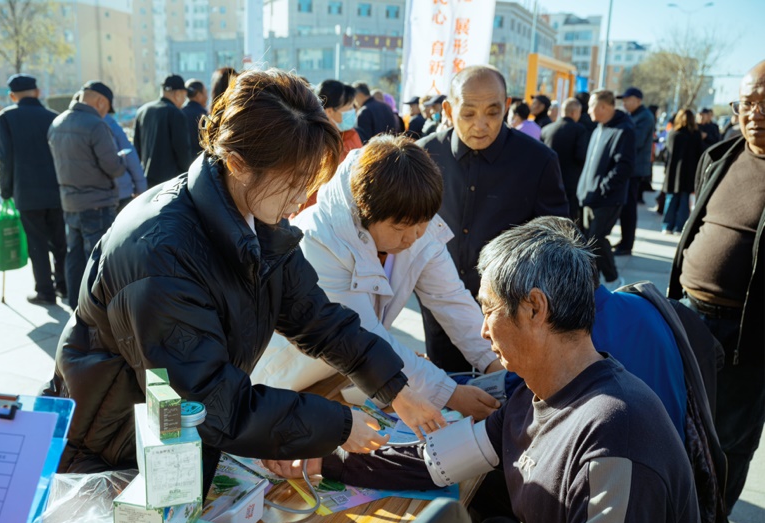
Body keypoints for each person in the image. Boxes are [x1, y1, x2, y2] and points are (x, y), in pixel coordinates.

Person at [51, 69, 446, 497]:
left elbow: (317, 317)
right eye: (293, 182)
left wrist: (393, 386)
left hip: (174, 442)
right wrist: (337, 424)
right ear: (238, 163)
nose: (302, 197)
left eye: (309, 181)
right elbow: (208, 401)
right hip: (111, 453)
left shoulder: (259, 219)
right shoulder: (160, 253)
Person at [266, 216, 702, 523]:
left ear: (534, 308)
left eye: (489, 309)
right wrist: (325, 458)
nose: (482, 330)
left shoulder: (616, 434)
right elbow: (434, 461)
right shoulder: (534, 398)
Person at [252, 136, 501, 419]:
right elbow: (364, 333)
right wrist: (449, 393)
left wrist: (494, 360)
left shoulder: (412, 213)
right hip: (285, 377)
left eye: (423, 224)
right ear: (366, 212)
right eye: (401, 228)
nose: (414, 237)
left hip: (347, 373)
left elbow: (450, 299)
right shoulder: (320, 241)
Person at [416, 65, 567, 372]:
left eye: (493, 112)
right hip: (439, 303)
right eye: (468, 113)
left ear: (507, 106)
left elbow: (557, 247)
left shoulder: (537, 161)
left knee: (505, 390)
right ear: (448, 109)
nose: (480, 125)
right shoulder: (424, 155)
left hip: (509, 310)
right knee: (449, 384)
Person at [669, 60, 765, 513]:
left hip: (748, 335)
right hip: (689, 315)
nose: (754, 113)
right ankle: (676, 521)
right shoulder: (720, 156)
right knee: (674, 422)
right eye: (747, 103)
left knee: (729, 442)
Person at [48, 81, 126, 310]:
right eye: (107, 107)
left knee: (74, 258)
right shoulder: (95, 125)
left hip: (70, 203)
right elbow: (113, 166)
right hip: (97, 203)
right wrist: (121, 159)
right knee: (99, 261)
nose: (106, 113)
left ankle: (77, 308)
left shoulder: (57, 122)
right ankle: (97, 312)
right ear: (101, 101)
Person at [0, 74, 67, 304]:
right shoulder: (53, 117)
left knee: (36, 244)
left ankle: (45, 291)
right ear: (37, 92)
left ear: (12, 96)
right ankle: (64, 285)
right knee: (60, 242)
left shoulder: (7, 118)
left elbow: (5, 158)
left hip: (26, 191)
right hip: (57, 190)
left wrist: (5, 190)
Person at [577, 89, 635, 290]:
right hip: (588, 196)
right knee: (587, 242)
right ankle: (592, 283)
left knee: (596, 239)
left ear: (603, 107)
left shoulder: (624, 130)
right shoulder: (598, 128)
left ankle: (613, 281)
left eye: (591, 106)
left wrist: (603, 188)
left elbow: (624, 167)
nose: (588, 111)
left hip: (607, 198)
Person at [300, 79, 362, 210]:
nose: (353, 112)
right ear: (329, 111)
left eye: (353, 107)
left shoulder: (350, 134)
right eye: (348, 108)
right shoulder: (314, 142)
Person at [614, 87, 655, 256]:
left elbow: (635, 142)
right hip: (631, 168)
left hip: (634, 170)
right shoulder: (633, 115)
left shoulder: (644, 117)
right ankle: (624, 240)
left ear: (638, 100)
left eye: (627, 99)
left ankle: (627, 244)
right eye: (623, 100)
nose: (624, 103)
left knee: (629, 208)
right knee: (625, 207)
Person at [133, 74, 192, 187]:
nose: (185, 100)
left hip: (146, 179)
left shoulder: (142, 111)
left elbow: (136, 148)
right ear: (177, 94)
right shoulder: (176, 113)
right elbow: (182, 151)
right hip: (169, 183)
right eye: (184, 95)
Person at [541, 97, 589, 221]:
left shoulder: (546, 129)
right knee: (569, 217)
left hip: (548, 180)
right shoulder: (579, 129)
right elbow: (581, 156)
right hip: (571, 182)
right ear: (574, 112)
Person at [661, 109, 703, 234]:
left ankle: (667, 226)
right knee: (684, 200)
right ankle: (680, 227)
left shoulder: (673, 134)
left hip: (673, 172)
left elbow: (667, 155)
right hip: (689, 172)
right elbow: (699, 154)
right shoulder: (696, 135)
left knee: (671, 198)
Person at [105, 112, 147, 212]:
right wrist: (141, 189)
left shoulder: (73, 123)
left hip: (89, 199)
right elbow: (130, 157)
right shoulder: (110, 124)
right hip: (122, 192)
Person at [182, 78, 208, 158]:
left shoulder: (180, 113)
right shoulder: (204, 116)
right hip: (200, 158)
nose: (207, 97)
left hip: (184, 159)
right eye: (205, 93)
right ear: (198, 95)